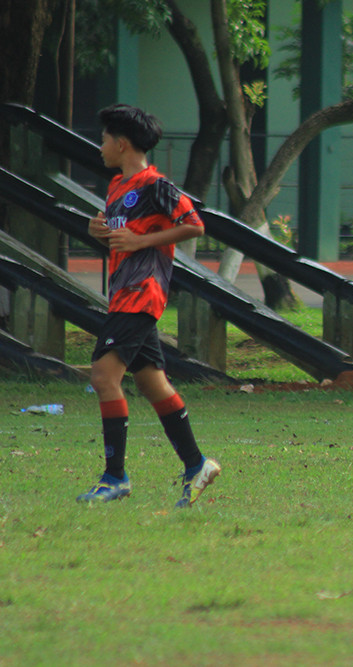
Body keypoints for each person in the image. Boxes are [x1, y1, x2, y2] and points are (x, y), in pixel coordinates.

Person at [77, 104, 220, 507]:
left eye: (104, 139)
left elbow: (194, 224)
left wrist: (141, 241)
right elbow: (123, 234)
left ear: (121, 143)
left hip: (142, 293)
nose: (100, 146)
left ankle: (115, 477)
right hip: (123, 293)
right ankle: (196, 466)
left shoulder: (155, 185)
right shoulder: (117, 186)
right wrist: (99, 229)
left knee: (103, 376)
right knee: (150, 382)